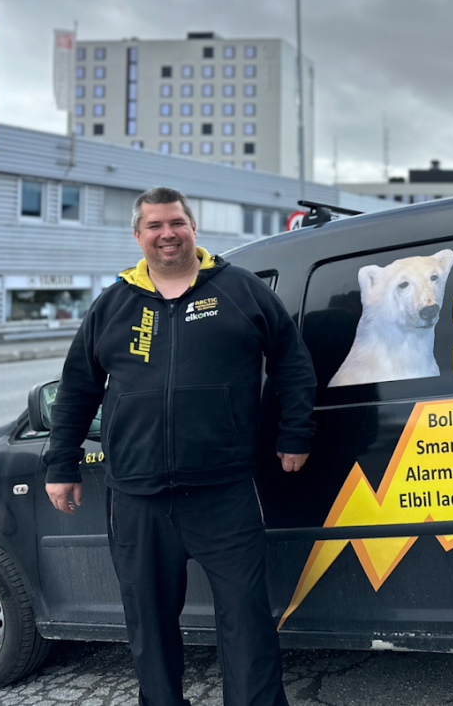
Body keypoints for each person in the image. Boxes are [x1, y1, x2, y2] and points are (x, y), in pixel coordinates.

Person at [44, 186, 316, 706]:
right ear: (138, 235)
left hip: (224, 491)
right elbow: (78, 387)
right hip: (137, 496)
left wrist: (296, 432)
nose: (167, 234)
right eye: (154, 225)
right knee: (148, 622)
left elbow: (292, 362)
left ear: (193, 227)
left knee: (246, 618)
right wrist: (62, 464)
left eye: (176, 223)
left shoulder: (239, 289)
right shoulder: (113, 304)